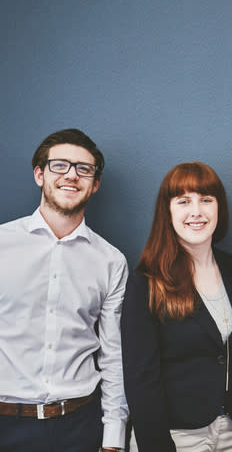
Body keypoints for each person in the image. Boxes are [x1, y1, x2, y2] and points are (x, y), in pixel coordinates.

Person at [0, 128, 128, 451]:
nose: (72, 175)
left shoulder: (111, 261)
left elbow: (112, 357)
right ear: (39, 174)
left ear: (95, 183)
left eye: (84, 169)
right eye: (60, 165)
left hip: (79, 427)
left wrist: (113, 438)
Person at [121, 162, 232, 452]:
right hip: (174, 437)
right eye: (184, 201)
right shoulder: (146, 284)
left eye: (206, 200)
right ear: (168, 211)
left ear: (218, 208)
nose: (197, 211)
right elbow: (140, 381)